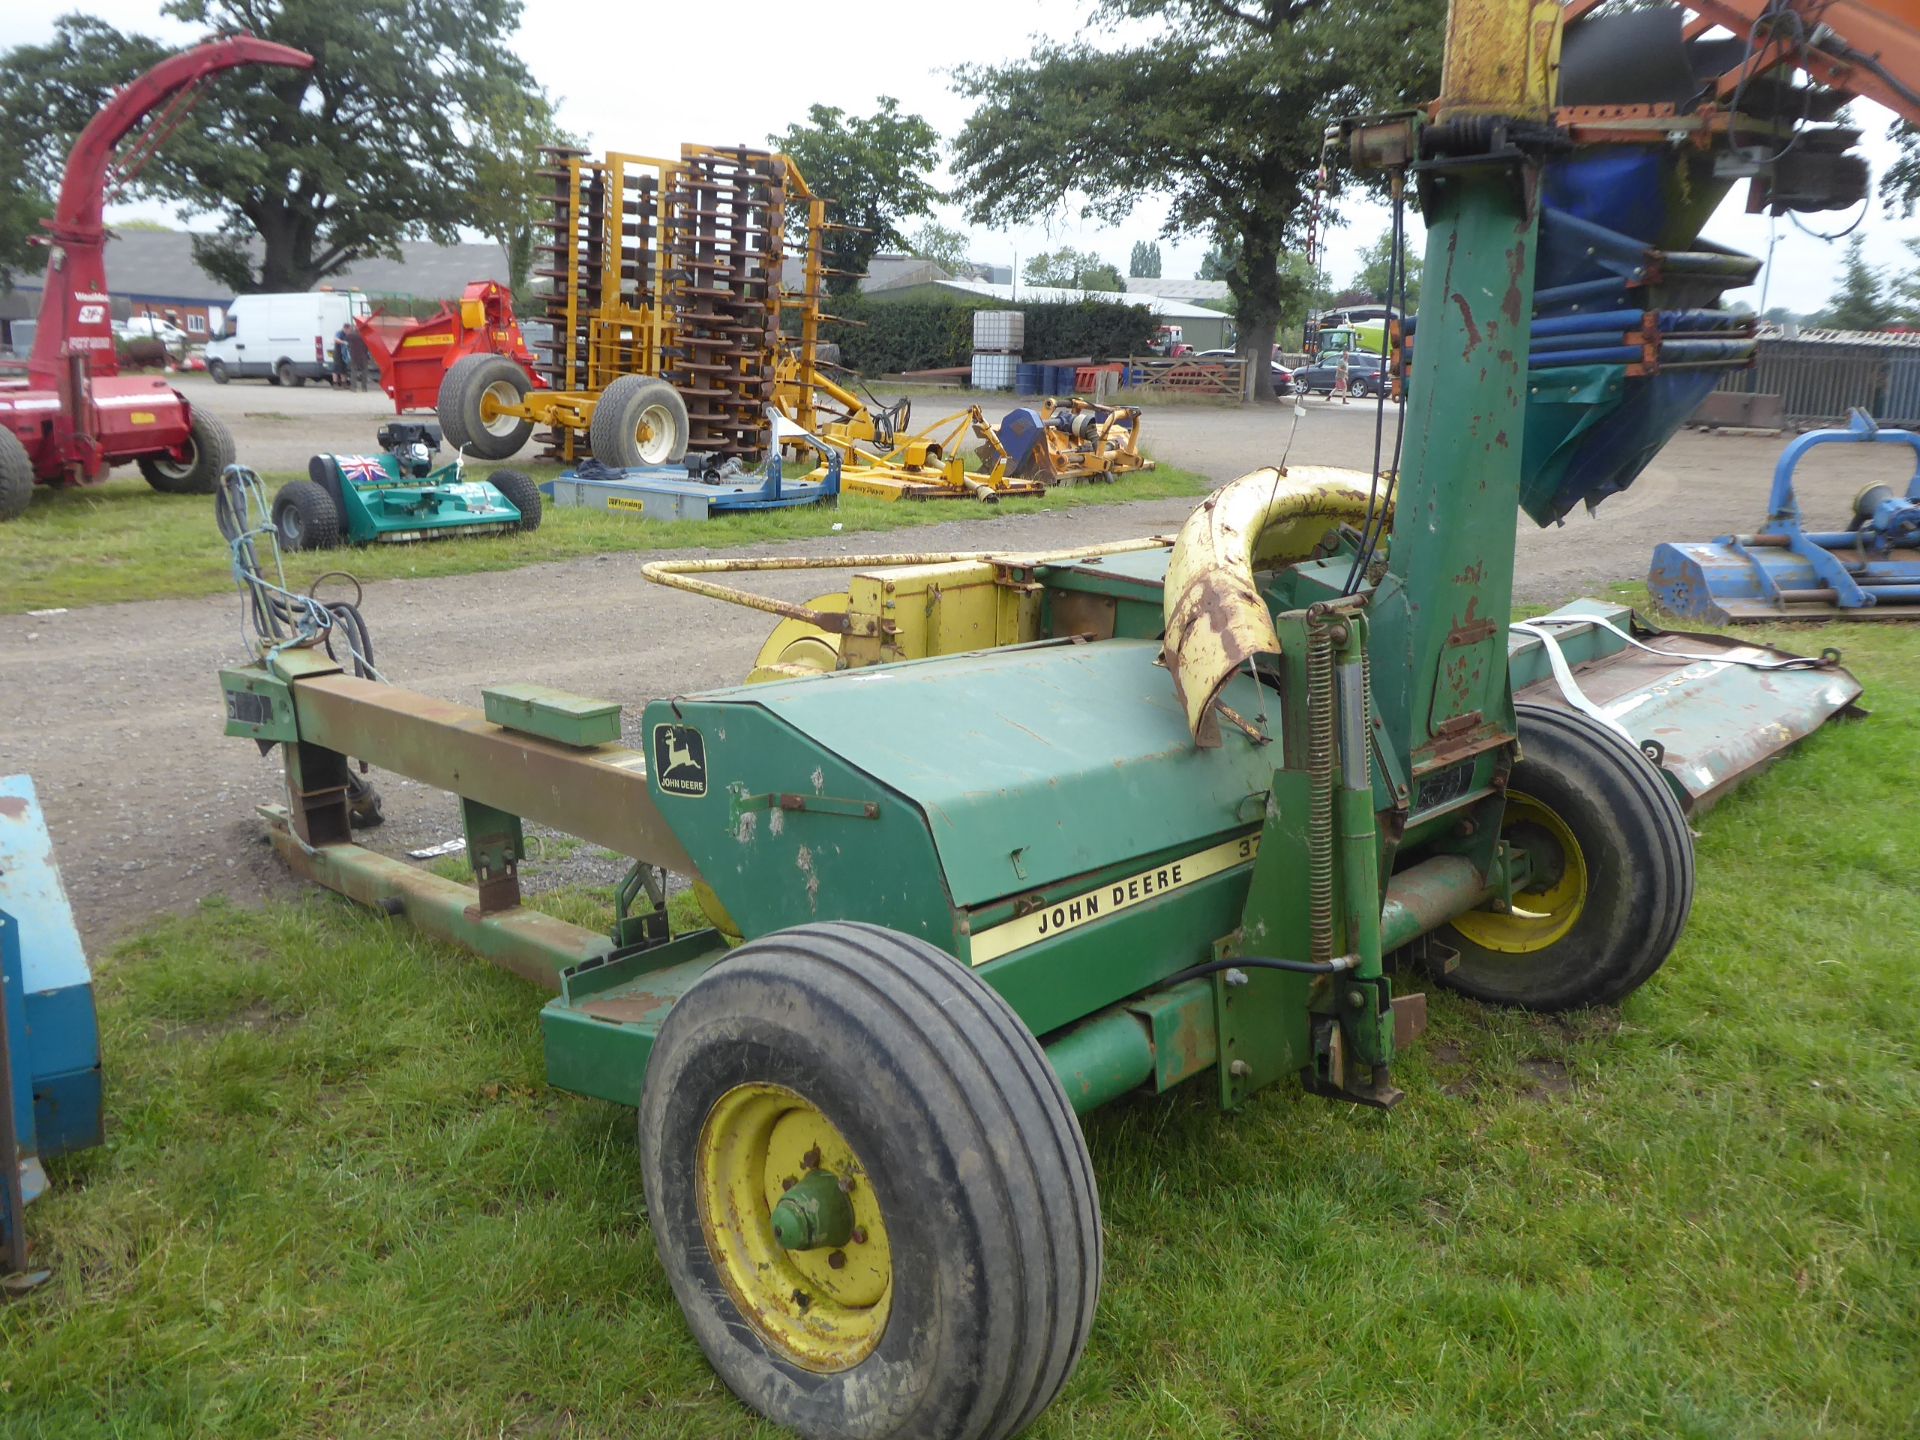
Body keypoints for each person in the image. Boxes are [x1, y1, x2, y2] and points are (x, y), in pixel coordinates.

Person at [347, 324, 373, 393]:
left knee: (354, 372)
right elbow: (368, 346)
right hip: (363, 356)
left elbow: (347, 339)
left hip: (354, 356)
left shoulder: (351, 335)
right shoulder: (365, 335)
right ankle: (364, 388)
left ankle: (353, 387)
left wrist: (350, 330)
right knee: (364, 372)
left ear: (355, 327)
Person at [332, 323, 352, 389]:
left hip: (344, 353)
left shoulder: (348, 334)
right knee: (336, 368)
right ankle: (335, 384)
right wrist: (343, 342)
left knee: (344, 368)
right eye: (349, 329)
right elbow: (335, 339)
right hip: (338, 352)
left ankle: (344, 383)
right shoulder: (339, 333)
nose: (350, 331)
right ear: (345, 328)